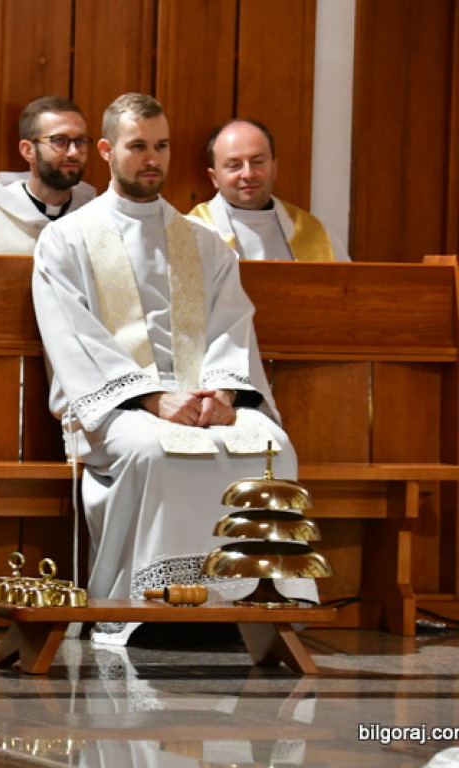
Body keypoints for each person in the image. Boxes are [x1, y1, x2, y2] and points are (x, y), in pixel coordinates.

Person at [31, 93, 315, 646]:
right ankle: (151, 610)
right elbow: (74, 337)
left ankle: (257, 604)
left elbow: (232, 325)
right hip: (116, 407)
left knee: (272, 448)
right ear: (107, 151)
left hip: (201, 400)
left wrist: (225, 396)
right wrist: (151, 398)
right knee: (153, 451)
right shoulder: (66, 240)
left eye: (161, 146)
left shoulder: (204, 243)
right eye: (138, 146)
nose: (152, 159)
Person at [188, 118, 349, 262]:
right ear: (214, 177)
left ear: (274, 168)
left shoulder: (312, 233)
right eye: (234, 165)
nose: (248, 174)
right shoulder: (192, 232)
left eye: (258, 162)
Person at [0, 95, 96, 254]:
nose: (73, 152)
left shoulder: (96, 217)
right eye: (59, 141)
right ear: (28, 150)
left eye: (80, 141)